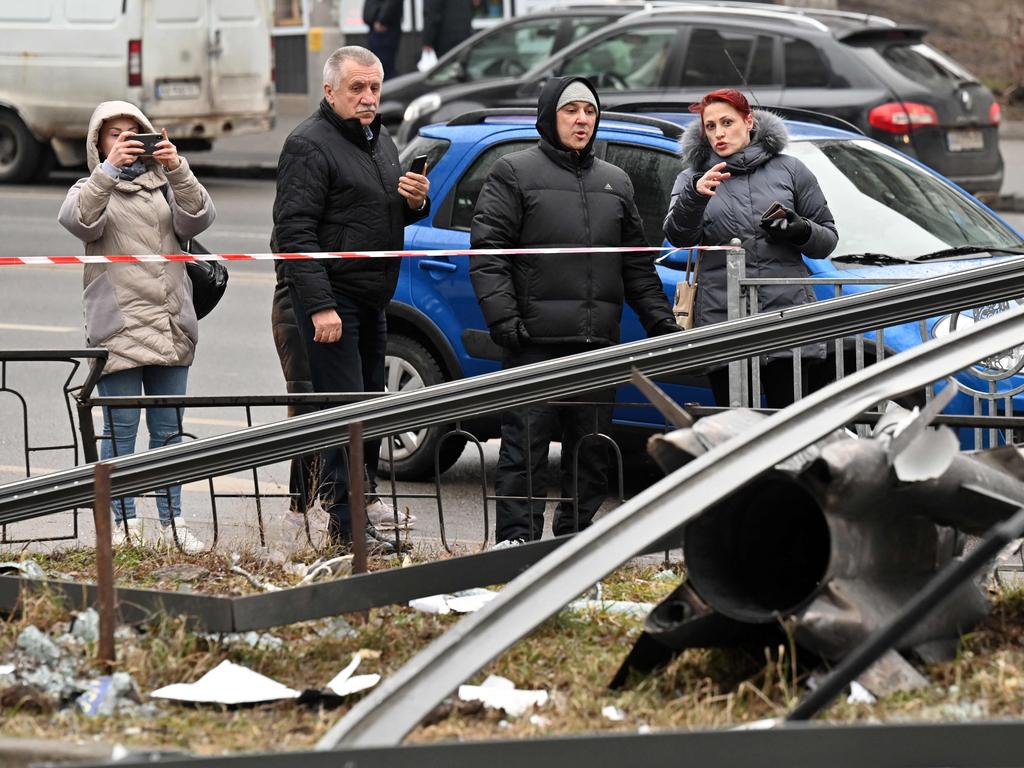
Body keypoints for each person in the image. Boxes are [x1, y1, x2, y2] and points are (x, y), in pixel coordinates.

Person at [470, 76, 677, 547]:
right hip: (533, 344)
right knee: (525, 453)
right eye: (571, 111)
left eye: (589, 110)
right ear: (549, 117)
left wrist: (661, 324)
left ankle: (575, 545)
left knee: (592, 457)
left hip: (596, 345)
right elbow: (487, 252)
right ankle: (516, 547)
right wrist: (503, 319)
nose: (582, 119)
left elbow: (636, 267)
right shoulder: (514, 172)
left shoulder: (616, 180)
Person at [271, 46, 429, 553]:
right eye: (357, 88)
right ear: (329, 91)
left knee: (371, 410)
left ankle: (360, 512)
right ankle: (345, 528)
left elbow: (377, 217)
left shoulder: (378, 139)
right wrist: (319, 306)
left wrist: (413, 203)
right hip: (333, 301)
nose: (367, 98)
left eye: (374, 88)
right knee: (345, 415)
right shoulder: (307, 145)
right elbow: (293, 234)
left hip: (371, 299)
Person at [58, 100, 215, 553]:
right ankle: (124, 524)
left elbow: (200, 217)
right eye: (114, 133)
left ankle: (173, 522)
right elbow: (78, 220)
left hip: (170, 324)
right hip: (121, 326)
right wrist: (106, 172)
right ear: (98, 142)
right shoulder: (90, 187)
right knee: (120, 430)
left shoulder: (165, 184)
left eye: (134, 131)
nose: (126, 139)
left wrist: (178, 167)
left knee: (168, 430)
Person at [663, 89, 838, 408]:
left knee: (789, 426)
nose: (719, 133)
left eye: (727, 122)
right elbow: (677, 237)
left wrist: (799, 230)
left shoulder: (791, 169)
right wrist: (695, 197)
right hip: (724, 323)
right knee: (735, 430)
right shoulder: (693, 177)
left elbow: (827, 240)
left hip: (785, 321)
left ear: (749, 121)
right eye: (711, 126)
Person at [363, 0, 404, 80]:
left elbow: (391, 4)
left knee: (385, 67)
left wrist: (382, 21)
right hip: (376, 29)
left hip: (386, 30)